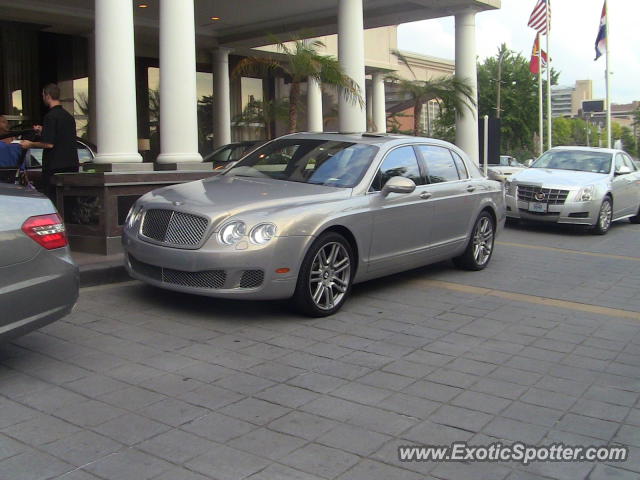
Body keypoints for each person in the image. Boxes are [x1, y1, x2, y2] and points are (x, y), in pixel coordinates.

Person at [20, 83, 78, 200]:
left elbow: (49, 144)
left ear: (47, 96)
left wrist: (29, 144)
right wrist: (43, 131)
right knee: (69, 200)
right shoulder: (68, 117)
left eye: (43, 95)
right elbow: (61, 137)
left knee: (53, 199)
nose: (42, 98)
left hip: (54, 167)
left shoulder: (50, 116)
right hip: (71, 165)